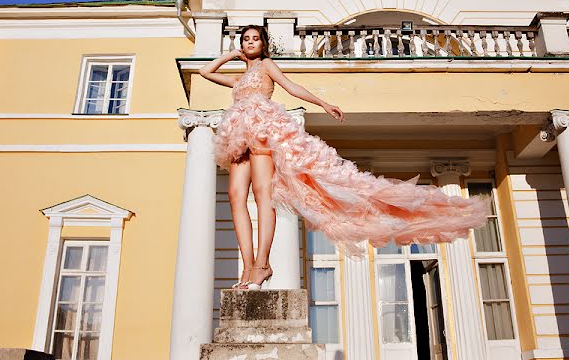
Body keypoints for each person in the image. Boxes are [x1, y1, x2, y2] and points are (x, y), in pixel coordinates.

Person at [200, 24, 490, 290]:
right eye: (246, 40)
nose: (250, 43)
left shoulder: (266, 66)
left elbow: (292, 87)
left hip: (262, 129)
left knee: (263, 195)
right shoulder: (239, 78)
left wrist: (324, 104)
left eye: (255, 39)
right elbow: (206, 72)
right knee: (235, 195)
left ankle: (262, 265)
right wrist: (231, 53)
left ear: (263, 45)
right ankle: (247, 266)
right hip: (238, 134)